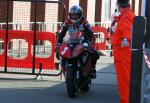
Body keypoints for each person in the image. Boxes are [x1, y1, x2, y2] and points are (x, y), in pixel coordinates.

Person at [56, 5, 99, 79]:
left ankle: (92, 69)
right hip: (70, 40)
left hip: (82, 41)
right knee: (60, 52)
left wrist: (89, 43)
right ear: (70, 15)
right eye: (73, 14)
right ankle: (64, 66)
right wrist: (59, 44)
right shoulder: (67, 22)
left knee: (94, 53)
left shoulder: (84, 21)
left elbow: (90, 32)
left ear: (80, 14)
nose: (74, 16)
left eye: (76, 15)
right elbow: (62, 33)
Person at [110, 0, 135, 103]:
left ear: (119, 5)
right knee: (125, 80)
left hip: (123, 53)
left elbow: (127, 31)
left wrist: (125, 39)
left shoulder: (126, 16)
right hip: (122, 52)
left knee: (124, 81)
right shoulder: (127, 14)